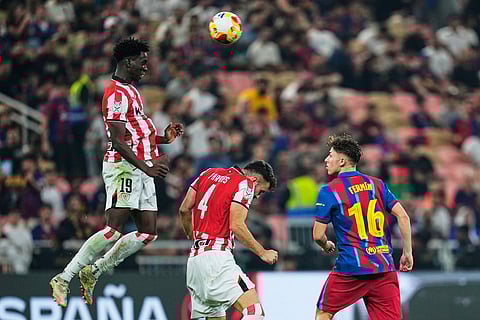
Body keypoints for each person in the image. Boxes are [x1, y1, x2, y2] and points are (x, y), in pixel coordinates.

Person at [50, 38, 184, 307]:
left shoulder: (132, 91)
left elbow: (135, 134)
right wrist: (146, 166)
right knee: (112, 230)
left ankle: (95, 270)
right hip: (124, 167)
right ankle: (64, 278)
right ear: (127, 62)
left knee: (148, 234)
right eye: (142, 62)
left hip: (143, 167)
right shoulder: (115, 94)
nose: (146, 67)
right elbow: (118, 141)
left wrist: (163, 139)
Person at [313, 134, 413, 320]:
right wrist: (407, 252)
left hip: (351, 269)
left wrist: (326, 246)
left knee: (324, 312)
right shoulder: (377, 185)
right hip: (384, 266)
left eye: (330, 155)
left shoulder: (329, 190)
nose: (326, 160)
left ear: (341, 161)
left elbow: (318, 235)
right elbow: (403, 216)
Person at [178, 160, 278, 320]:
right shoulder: (245, 183)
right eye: (261, 191)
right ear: (255, 180)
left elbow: (184, 209)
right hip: (217, 260)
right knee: (255, 312)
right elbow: (237, 225)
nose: (257, 196)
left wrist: (192, 235)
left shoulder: (207, 173)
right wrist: (262, 252)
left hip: (195, 262)